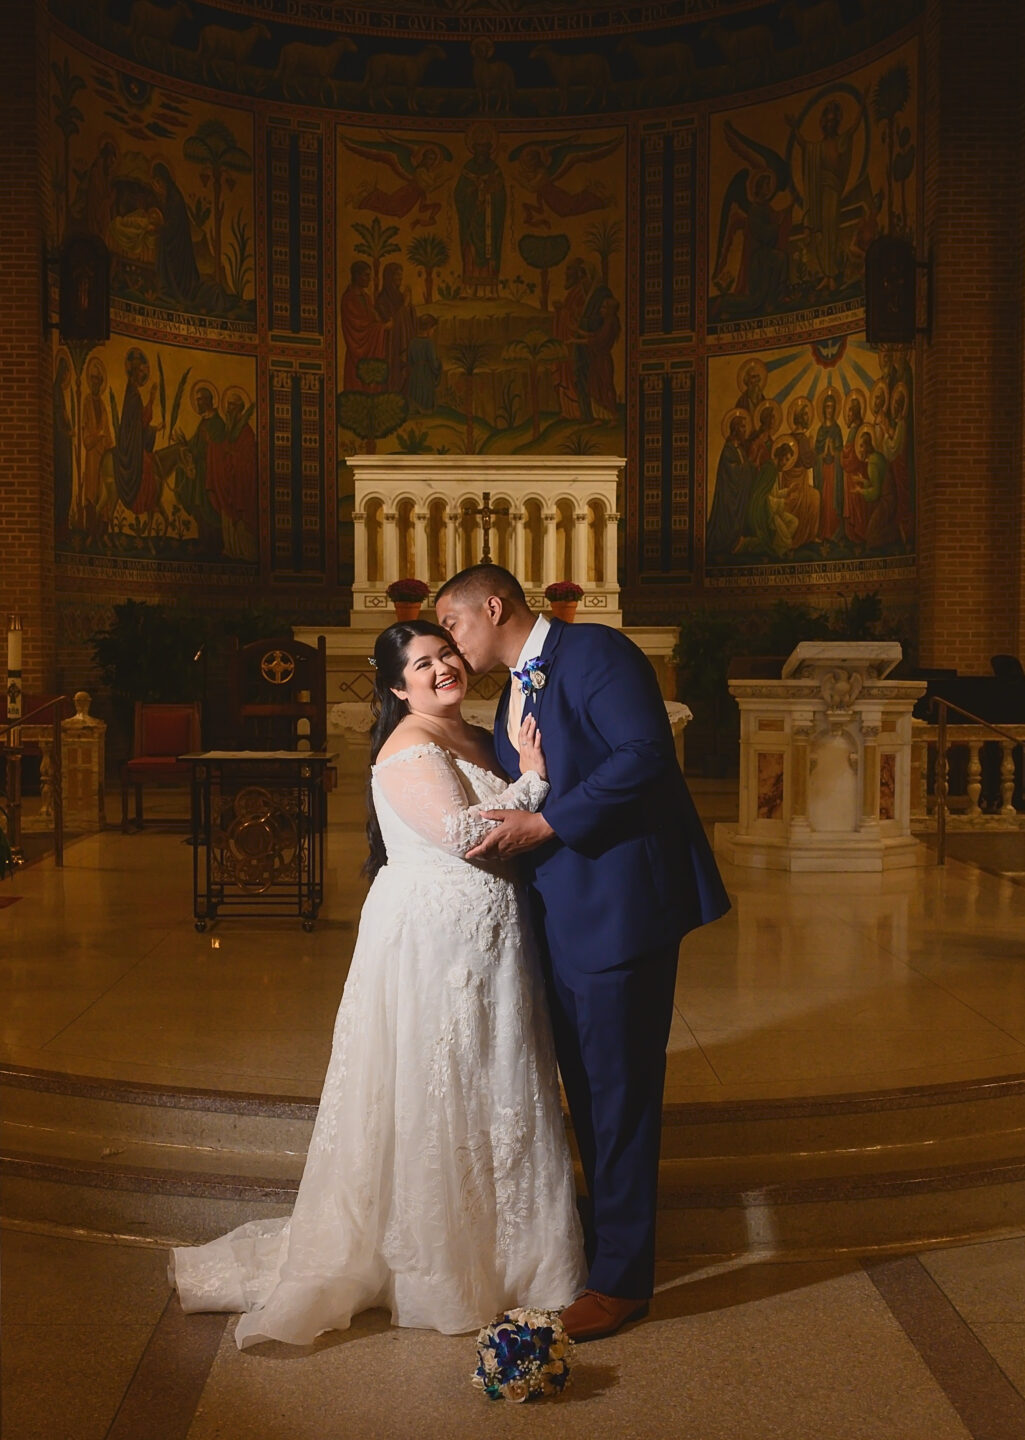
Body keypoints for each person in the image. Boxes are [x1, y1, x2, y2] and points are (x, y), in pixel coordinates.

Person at [171, 620, 585, 1346]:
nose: (440, 669)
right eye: (421, 665)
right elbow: (465, 838)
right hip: (435, 940)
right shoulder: (407, 746)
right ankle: (437, 1268)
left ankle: (511, 1257)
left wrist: (517, 767)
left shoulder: (472, 733)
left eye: (445, 655)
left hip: (490, 936)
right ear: (397, 688)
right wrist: (536, 781)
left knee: (497, 1081)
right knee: (443, 1084)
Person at [435, 565, 730, 1342]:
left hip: (620, 907)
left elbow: (642, 755)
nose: (452, 646)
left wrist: (547, 824)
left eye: (455, 626)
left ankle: (624, 1280)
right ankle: (604, 1244)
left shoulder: (595, 651)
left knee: (620, 1093)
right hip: (561, 914)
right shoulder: (511, 688)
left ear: (492, 607)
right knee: (589, 1092)